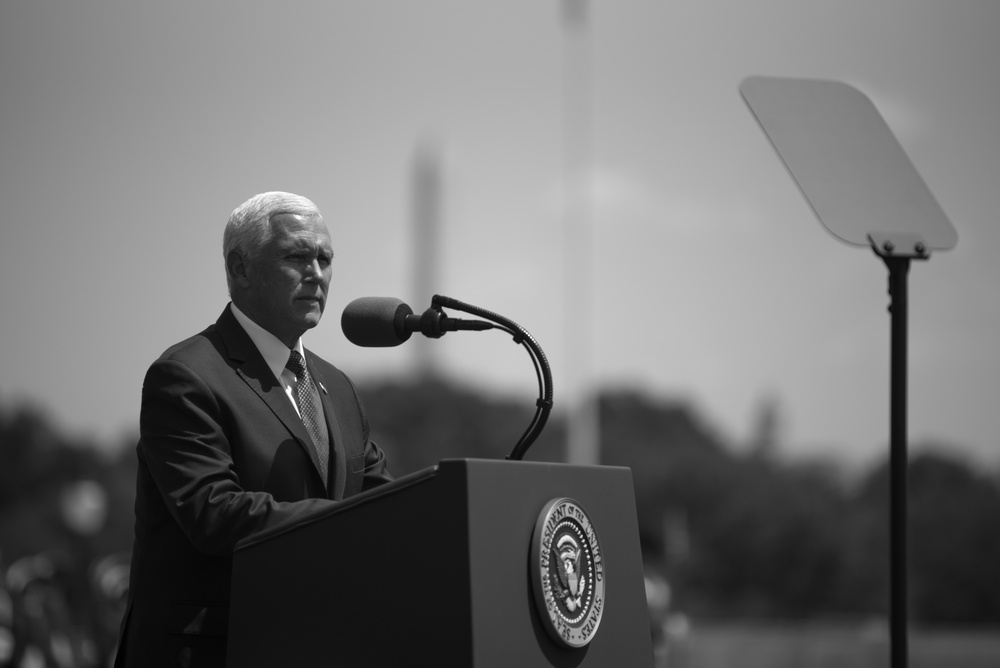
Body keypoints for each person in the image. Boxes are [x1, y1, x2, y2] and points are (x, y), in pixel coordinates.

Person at [114, 192, 392, 667]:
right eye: (297, 256)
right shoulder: (187, 375)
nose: (317, 273)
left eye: (325, 258)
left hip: (313, 645)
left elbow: (385, 501)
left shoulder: (337, 388)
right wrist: (341, 524)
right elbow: (213, 513)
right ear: (240, 268)